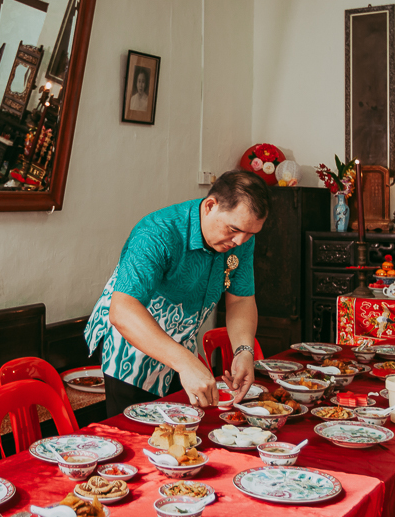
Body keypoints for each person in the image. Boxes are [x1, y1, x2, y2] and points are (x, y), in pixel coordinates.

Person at [84, 170, 270, 416]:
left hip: (182, 343)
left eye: (250, 234)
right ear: (210, 206)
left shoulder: (241, 238)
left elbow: (240, 299)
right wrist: (185, 362)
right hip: (132, 344)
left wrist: (244, 350)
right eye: (233, 230)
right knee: (137, 439)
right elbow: (123, 311)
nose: (239, 241)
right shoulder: (157, 232)